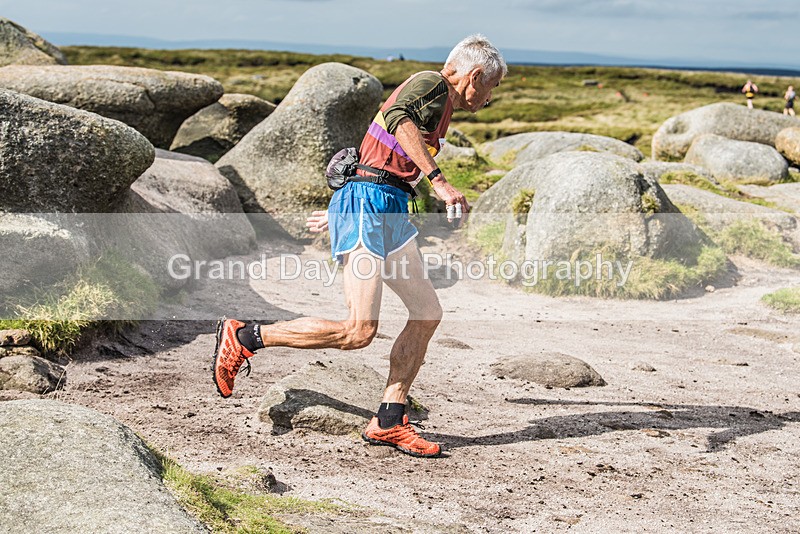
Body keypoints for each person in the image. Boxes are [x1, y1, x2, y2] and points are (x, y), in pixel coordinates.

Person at [212, 34, 507, 458]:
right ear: (474, 74)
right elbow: (398, 119)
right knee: (359, 331)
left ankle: (389, 420)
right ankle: (246, 336)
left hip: (386, 209)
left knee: (426, 314)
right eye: (492, 86)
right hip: (369, 206)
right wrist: (438, 182)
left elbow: (379, 158)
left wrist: (341, 209)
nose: (490, 97)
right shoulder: (431, 83)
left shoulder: (441, 105)